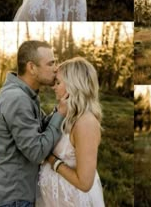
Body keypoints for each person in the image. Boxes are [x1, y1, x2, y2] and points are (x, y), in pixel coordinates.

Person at [0, 40, 68, 207]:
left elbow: (39, 128)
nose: (56, 68)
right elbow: (37, 153)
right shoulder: (18, 99)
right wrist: (60, 114)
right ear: (31, 68)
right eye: (50, 63)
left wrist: (59, 111)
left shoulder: (24, 95)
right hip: (13, 198)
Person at [36, 57, 105, 206]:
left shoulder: (86, 123)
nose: (54, 87)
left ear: (74, 85)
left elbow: (85, 183)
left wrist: (51, 159)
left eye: (58, 82)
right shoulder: (65, 114)